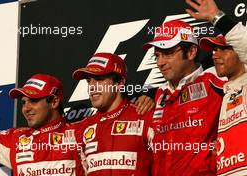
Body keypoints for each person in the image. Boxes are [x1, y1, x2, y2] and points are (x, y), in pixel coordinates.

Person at [143, 19, 224, 175]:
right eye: (157, 56)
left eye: (167, 54)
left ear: (192, 52)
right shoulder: (158, 95)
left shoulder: (215, 80)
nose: (160, 62)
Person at [186, 0, 247, 174]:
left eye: (223, 49)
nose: (215, 55)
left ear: (240, 52)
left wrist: (217, 18)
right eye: (213, 50)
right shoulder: (224, 92)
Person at [0, 74, 84, 176]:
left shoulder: (80, 134)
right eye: (23, 102)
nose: (26, 109)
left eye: (33, 100)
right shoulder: (16, 140)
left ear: (54, 102)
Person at [72, 52, 153, 176]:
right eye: (89, 81)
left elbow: (165, 165)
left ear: (120, 82)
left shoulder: (143, 115)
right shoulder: (81, 128)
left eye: (99, 79)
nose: (92, 87)